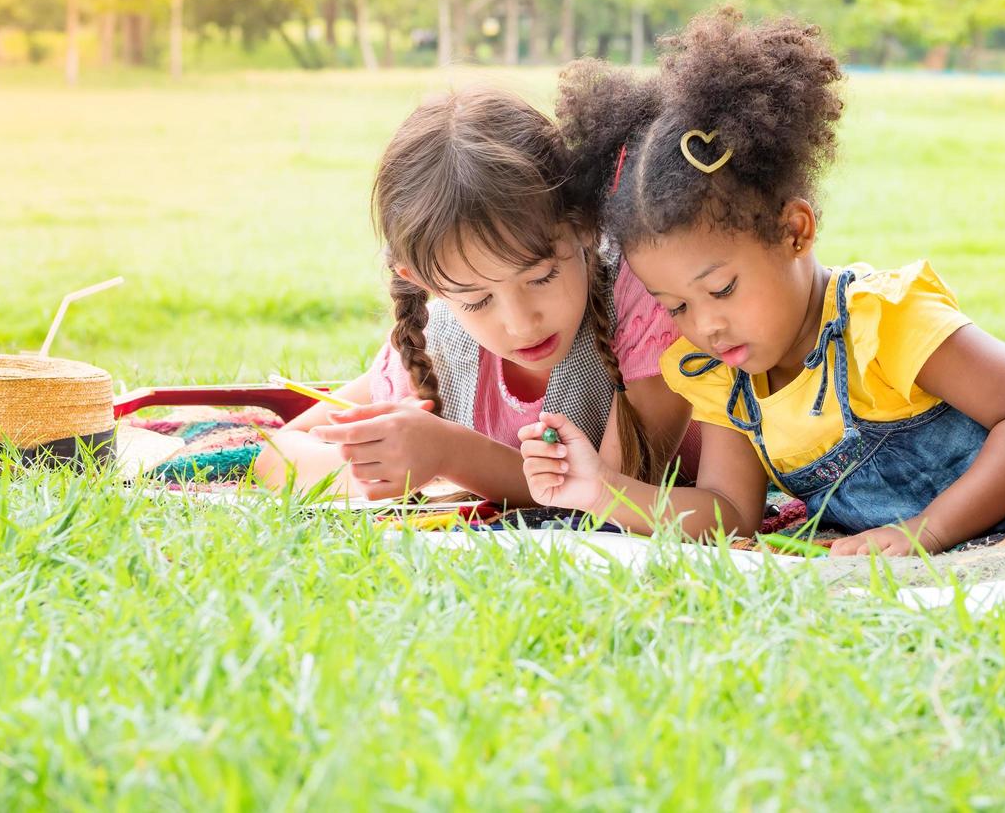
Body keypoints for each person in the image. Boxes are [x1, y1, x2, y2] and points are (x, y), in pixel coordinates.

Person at [520, 8, 1005, 554]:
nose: (706, 326)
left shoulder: (883, 320)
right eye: (675, 307)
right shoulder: (726, 375)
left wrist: (926, 532)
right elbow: (729, 511)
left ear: (795, 231)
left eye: (721, 289)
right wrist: (600, 490)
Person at [255, 87, 699, 507]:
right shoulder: (437, 343)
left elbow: (610, 491)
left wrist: (451, 454)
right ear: (424, 282)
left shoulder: (640, 296)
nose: (522, 323)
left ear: (586, 224)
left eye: (541, 277)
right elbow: (276, 454)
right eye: (476, 300)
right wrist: (374, 468)